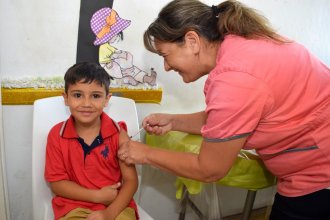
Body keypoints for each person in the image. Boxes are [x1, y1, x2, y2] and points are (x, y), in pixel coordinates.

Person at [118, 0, 330, 219]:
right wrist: (174, 121)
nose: (166, 66)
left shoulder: (236, 78)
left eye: (165, 55)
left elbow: (210, 168)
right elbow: (228, 119)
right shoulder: (245, 47)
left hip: (319, 176)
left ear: (192, 41)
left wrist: (145, 153)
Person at [45, 62, 139, 220]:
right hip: (73, 206)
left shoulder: (119, 134)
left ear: (107, 99)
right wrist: (97, 196)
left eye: (95, 96)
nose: (86, 104)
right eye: (77, 95)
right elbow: (57, 184)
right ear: (66, 98)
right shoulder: (56, 135)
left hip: (116, 207)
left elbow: (131, 181)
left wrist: (108, 214)